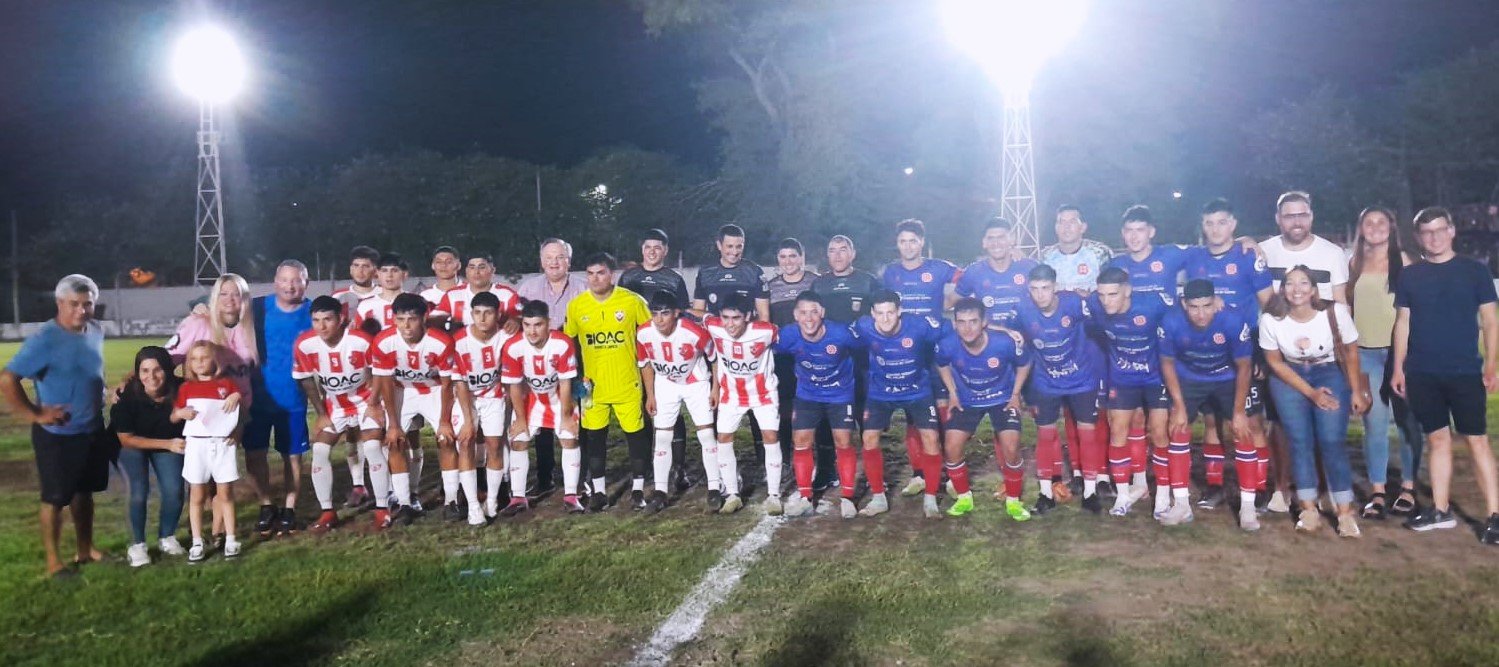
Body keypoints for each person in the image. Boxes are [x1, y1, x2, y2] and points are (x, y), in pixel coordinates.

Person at [1392, 207, 1499, 543]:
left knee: (1476, 441)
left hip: (1465, 370)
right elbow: (1403, 323)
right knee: (1437, 440)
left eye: (1440, 230)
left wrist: (1491, 364)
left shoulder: (1474, 272)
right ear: (1419, 236)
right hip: (1423, 372)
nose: (1434, 237)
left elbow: (1491, 321)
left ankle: (1495, 515)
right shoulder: (1411, 276)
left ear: (1451, 231)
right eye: (1426, 232)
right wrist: (1399, 366)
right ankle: (1440, 510)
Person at [0, 274, 108, 577]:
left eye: (87, 304)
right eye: (74, 304)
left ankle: (85, 550)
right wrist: (35, 414)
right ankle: (53, 561)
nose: (81, 311)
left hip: (91, 429)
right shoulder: (45, 340)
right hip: (58, 435)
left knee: (84, 493)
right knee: (55, 499)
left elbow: (90, 371)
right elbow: (7, 379)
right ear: (60, 303)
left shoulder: (95, 330)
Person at [1182, 199, 1276, 512]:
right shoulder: (1194, 257)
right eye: (1209, 224)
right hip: (1207, 353)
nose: (1215, 230)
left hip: (1243, 351)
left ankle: (1259, 488)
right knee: (1212, 423)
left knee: (1250, 422)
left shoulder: (1248, 255)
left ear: (1233, 225)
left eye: (1222, 223)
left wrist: (1264, 350)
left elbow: (1270, 303)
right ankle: (1216, 485)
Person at [1260, 266, 1366, 537]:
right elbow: (1274, 363)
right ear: (1282, 289)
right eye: (1290, 284)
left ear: (1314, 289)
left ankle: (1345, 513)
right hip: (1289, 375)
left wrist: (1355, 391)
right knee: (1299, 441)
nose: (1297, 289)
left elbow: (1352, 353)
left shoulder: (1334, 312)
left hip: (1329, 371)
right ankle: (1308, 509)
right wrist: (1310, 393)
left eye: (1304, 283)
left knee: (1331, 441)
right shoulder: (1271, 319)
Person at [1158, 279, 1263, 531]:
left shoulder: (1233, 321)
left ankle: (1248, 507)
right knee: (1177, 428)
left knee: (1243, 429)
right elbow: (1167, 363)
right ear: (1184, 304)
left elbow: (1244, 366)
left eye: (1207, 306)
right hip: (1190, 378)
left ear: (1216, 302)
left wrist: (1238, 412)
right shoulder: (1170, 321)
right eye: (1194, 307)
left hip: (1227, 378)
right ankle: (1181, 504)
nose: (1201, 314)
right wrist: (1180, 407)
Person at [164, 273, 259, 537]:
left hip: (236, 413)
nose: (230, 300)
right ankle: (198, 531)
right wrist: (134, 382)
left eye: (236, 294)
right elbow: (166, 359)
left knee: (222, 481)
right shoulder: (198, 323)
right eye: (224, 294)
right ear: (215, 298)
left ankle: (218, 533)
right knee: (201, 482)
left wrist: (241, 418)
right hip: (201, 417)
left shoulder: (249, 326)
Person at [1014, 264, 1108, 514]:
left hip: (1082, 380)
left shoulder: (1074, 303)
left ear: (1055, 287)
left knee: (1087, 434)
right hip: (1046, 381)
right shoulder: (1023, 308)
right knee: (1045, 435)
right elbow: (1006, 329)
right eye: (1034, 289)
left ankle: (1090, 492)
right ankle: (1045, 494)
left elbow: (1102, 315)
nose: (1040, 294)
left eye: (1045, 288)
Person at [1346, 207, 1421, 519]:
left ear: (1391, 227)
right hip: (1365, 354)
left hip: (1400, 354)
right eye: (1368, 222)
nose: (1375, 227)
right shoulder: (1354, 263)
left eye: (1381, 221)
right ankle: (1377, 491)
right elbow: (1347, 307)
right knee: (1374, 423)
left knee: (1406, 423)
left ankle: (1408, 487)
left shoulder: (1404, 262)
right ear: (1361, 228)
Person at [565, 253, 654, 512]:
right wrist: (577, 384)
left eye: (601, 273)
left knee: (635, 436)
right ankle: (600, 492)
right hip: (592, 387)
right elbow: (572, 347)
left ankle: (637, 489)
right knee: (594, 438)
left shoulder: (631, 301)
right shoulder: (577, 306)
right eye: (590, 273)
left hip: (628, 382)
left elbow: (648, 339)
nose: (595, 278)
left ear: (611, 274)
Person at [293, 295, 390, 533]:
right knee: (320, 450)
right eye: (316, 320)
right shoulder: (304, 344)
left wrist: (375, 403)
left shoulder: (360, 341)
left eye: (327, 319)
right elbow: (305, 379)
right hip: (335, 406)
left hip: (365, 401)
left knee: (372, 447)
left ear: (341, 319)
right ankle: (327, 512)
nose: (322, 326)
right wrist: (320, 412)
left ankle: (382, 508)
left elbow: (379, 372)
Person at [851, 290, 947, 518]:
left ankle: (931, 498)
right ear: (872, 313)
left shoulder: (920, 326)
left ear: (899, 311)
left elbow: (951, 332)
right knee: (869, 438)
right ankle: (878, 498)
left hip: (917, 390)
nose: (885, 319)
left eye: (890, 313)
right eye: (880, 313)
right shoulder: (863, 327)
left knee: (931, 438)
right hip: (881, 392)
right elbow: (837, 338)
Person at [1087, 267, 1174, 518]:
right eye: (1102, 295)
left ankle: (1163, 495)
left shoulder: (1153, 304)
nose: (1106, 301)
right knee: (1118, 431)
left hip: (1155, 378)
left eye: (1112, 295)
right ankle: (1124, 495)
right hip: (1122, 378)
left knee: (1159, 433)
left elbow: (1183, 315)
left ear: (1127, 291)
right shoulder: (1095, 305)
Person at [935, 297, 1031, 519]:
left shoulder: (1004, 342)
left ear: (984, 322)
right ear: (955, 323)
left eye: (973, 321)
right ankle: (964, 498)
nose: (967, 328)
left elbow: (1024, 364)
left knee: (1011, 446)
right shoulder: (948, 344)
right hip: (967, 400)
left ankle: (1014, 501)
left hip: (1002, 398)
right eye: (962, 322)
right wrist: (952, 393)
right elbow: (941, 364)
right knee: (951, 446)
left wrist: (1015, 394)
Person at [619, 228, 695, 493]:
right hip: (636, 349)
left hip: (666, 352)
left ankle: (679, 468)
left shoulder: (673, 279)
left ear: (665, 251)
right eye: (648, 247)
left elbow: (683, 314)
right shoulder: (629, 277)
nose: (652, 252)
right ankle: (647, 465)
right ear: (642, 250)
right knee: (643, 407)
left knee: (670, 408)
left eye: (658, 247)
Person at [372, 293, 456, 524]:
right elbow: (386, 383)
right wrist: (394, 424)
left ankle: (451, 500)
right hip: (402, 390)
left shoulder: (440, 341)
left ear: (424, 317)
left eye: (412, 319)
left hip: (434, 389)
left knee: (446, 439)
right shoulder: (383, 341)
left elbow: (448, 384)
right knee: (395, 441)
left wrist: (445, 420)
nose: (406, 326)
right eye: (400, 319)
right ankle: (405, 503)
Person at [773, 292, 856, 518]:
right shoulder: (788, 335)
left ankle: (848, 497)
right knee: (801, 442)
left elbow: (865, 350)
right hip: (808, 394)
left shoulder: (841, 334)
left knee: (844, 442)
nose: (808, 318)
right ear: (795, 315)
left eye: (813, 312)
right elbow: (762, 351)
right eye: (803, 313)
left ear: (822, 313)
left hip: (840, 394)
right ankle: (805, 497)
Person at [244, 260, 312, 536]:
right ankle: (266, 504)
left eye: (296, 280)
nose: (290, 285)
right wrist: (200, 308)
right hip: (257, 396)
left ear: (305, 283)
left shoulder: (313, 312)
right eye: (285, 280)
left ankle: (289, 507)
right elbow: (218, 310)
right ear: (275, 281)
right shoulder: (256, 308)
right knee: (255, 454)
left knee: (292, 457)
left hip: (293, 399)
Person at [765, 238, 836, 493]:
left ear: (802, 257)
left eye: (793, 256)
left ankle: (827, 464)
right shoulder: (770, 287)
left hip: (813, 357)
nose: (788, 262)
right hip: (783, 358)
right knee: (784, 409)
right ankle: (787, 461)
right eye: (783, 257)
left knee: (821, 407)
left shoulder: (814, 282)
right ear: (778, 260)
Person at [637, 292, 718, 514]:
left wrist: (715, 387)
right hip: (666, 383)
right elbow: (644, 364)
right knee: (662, 436)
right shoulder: (643, 333)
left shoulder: (693, 332)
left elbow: (714, 358)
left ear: (675, 313)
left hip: (695, 381)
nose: (659, 319)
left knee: (706, 435)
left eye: (665, 313)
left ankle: (714, 487)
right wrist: (650, 394)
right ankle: (660, 492)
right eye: (655, 314)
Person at [501, 300, 581, 516]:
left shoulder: (562, 343)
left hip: (558, 399)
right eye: (527, 325)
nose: (532, 331)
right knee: (518, 440)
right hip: (532, 400)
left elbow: (566, 382)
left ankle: (571, 496)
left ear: (548, 323)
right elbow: (514, 385)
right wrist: (519, 418)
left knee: (568, 437)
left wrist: (565, 416)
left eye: (538, 325)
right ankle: (518, 497)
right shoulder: (513, 346)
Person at [704, 295, 781, 515]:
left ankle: (774, 495)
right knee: (724, 439)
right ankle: (732, 494)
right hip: (732, 395)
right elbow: (696, 314)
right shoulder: (714, 326)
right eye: (725, 318)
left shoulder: (766, 332)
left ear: (748, 316)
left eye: (736, 318)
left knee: (770, 437)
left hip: (763, 394)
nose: (730, 324)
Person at [112, 346, 188, 567]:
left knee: (174, 490)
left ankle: (167, 536)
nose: (151, 377)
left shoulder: (181, 388)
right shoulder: (126, 398)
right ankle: (137, 544)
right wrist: (169, 444)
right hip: (133, 444)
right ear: (137, 373)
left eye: (157, 370)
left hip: (168, 443)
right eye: (144, 371)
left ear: (167, 370)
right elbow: (126, 439)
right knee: (139, 491)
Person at [171, 341, 245, 562]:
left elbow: (239, 403)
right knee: (197, 495)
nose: (199, 363)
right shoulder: (186, 388)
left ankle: (231, 538)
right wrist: (181, 413)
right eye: (194, 359)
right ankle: (196, 541)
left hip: (222, 444)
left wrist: (235, 396)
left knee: (225, 493)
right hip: (196, 445)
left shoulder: (227, 384)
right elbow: (174, 415)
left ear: (215, 360)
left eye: (204, 358)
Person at [450, 291, 516, 525]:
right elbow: (459, 383)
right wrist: (469, 420)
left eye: (488, 313)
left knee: (495, 445)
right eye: (477, 313)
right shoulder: (459, 340)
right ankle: (472, 506)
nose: (482, 318)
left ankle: (493, 500)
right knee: (466, 442)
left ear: (497, 314)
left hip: (494, 397)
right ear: (471, 314)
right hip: (466, 398)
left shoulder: (506, 337)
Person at [331, 246, 381, 510]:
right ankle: (358, 484)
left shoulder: (384, 294)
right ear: (350, 269)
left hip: (380, 368)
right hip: (349, 371)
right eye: (356, 266)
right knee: (352, 430)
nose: (361, 271)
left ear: (375, 269)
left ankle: (386, 484)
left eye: (366, 266)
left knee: (378, 429)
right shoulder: (339, 297)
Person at [1260, 191, 1348, 303]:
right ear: (1278, 218)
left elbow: (1341, 304)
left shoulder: (1333, 254)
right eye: (1289, 216)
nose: (1297, 222)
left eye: (1302, 215)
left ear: (1311, 216)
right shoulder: (1262, 252)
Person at [954, 217, 1038, 329]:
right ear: (984, 242)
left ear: (1012, 239)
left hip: (1028, 341)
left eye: (1001, 237)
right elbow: (951, 300)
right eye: (991, 238)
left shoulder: (1030, 267)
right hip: (990, 341)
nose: (996, 243)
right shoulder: (974, 272)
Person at [693, 224, 770, 321]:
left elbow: (764, 315)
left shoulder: (755, 272)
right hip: (715, 333)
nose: (734, 252)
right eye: (730, 246)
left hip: (745, 333)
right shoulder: (705, 273)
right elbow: (697, 314)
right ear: (719, 245)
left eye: (739, 247)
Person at [433, 253, 523, 331]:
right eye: (472, 268)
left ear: (492, 271)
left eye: (482, 267)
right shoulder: (452, 295)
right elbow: (435, 320)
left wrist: (516, 320)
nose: (476, 272)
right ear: (467, 271)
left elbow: (522, 317)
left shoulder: (507, 295)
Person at [1041, 205, 1114, 294]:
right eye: (1062, 222)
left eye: (1072, 222)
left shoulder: (1100, 253)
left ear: (1083, 227)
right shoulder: (1046, 257)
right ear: (1056, 228)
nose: (1066, 227)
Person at [517, 238, 587, 331]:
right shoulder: (528, 288)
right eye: (549, 257)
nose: (554, 262)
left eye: (560, 257)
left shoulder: (585, 288)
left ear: (569, 261)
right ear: (542, 262)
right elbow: (516, 318)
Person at [354, 252, 410, 330]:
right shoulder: (365, 305)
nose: (389, 275)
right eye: (384, 270)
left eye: (395, 270)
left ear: (405, 274)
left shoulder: (415, 302)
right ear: (377, 274)